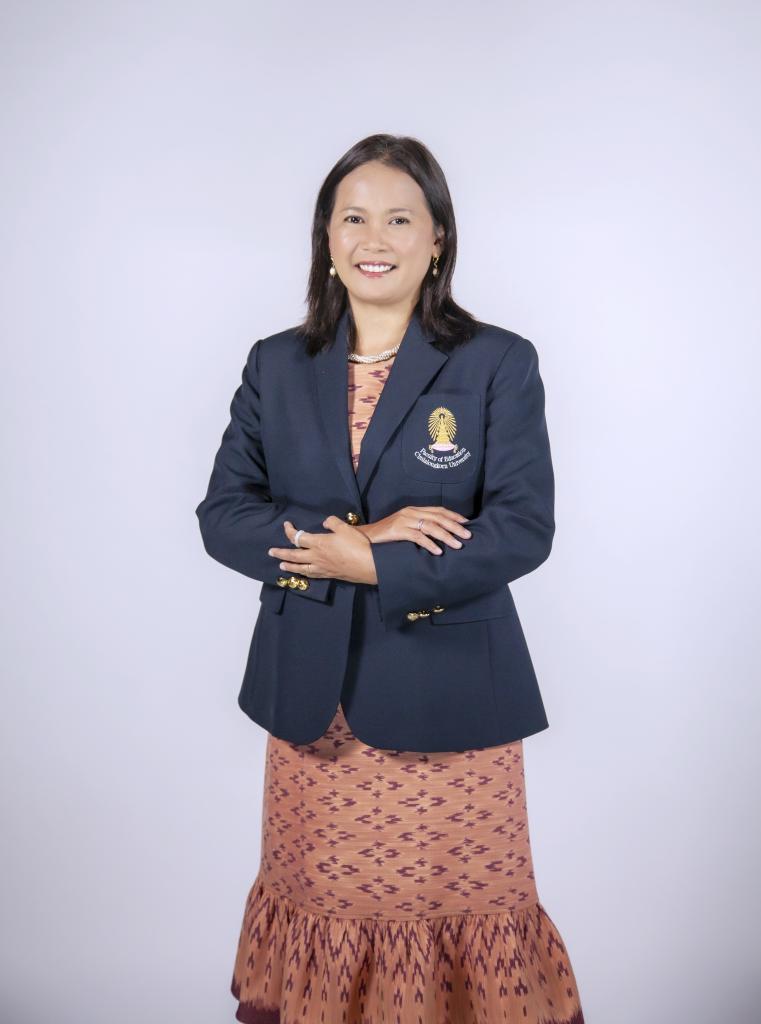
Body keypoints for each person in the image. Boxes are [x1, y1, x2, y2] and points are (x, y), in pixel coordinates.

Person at [195, 133, 585, 1024]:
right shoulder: (274, 364)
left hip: (452, 708)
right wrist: (354, 544)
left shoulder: (496, 362)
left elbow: (521, 529)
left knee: (461, 921)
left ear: (437, 237)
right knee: (322, 912)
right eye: (354, 219)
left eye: (400, 220)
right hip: (314, 713)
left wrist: (371, 562)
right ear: (326, 238)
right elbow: (224, 516)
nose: (375, 239)